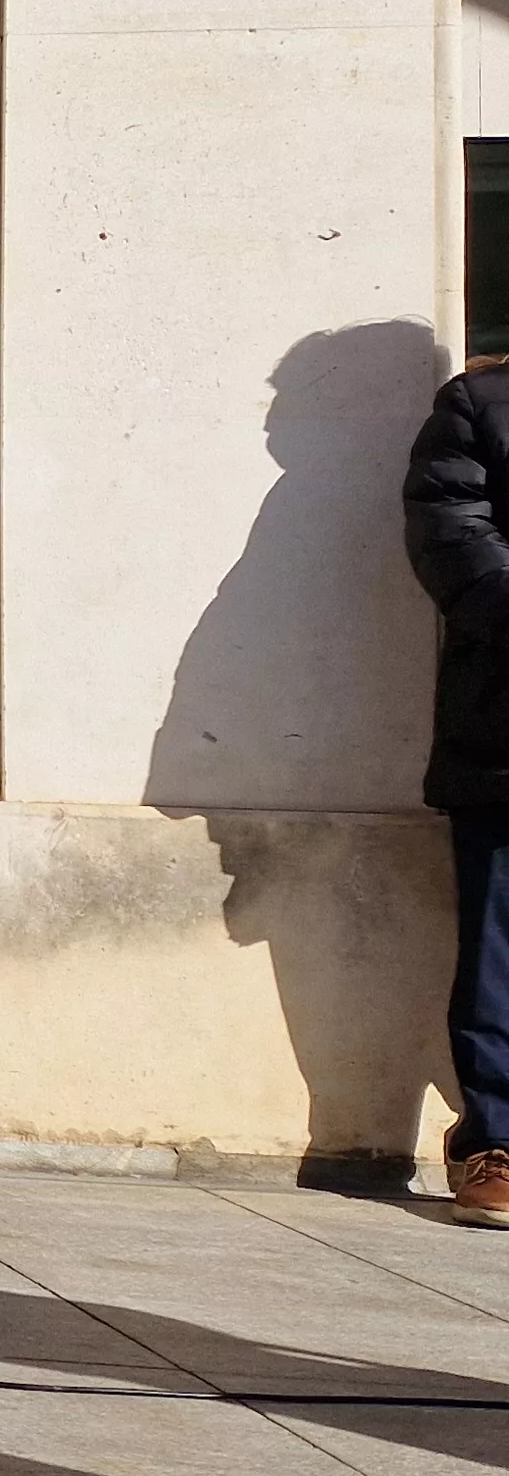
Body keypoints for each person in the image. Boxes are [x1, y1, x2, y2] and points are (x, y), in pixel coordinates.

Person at [403, 353, 509, 1226]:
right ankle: (493, 1141)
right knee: (497, 952)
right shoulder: (479, 402)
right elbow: (455, 543)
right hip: (504, 734)